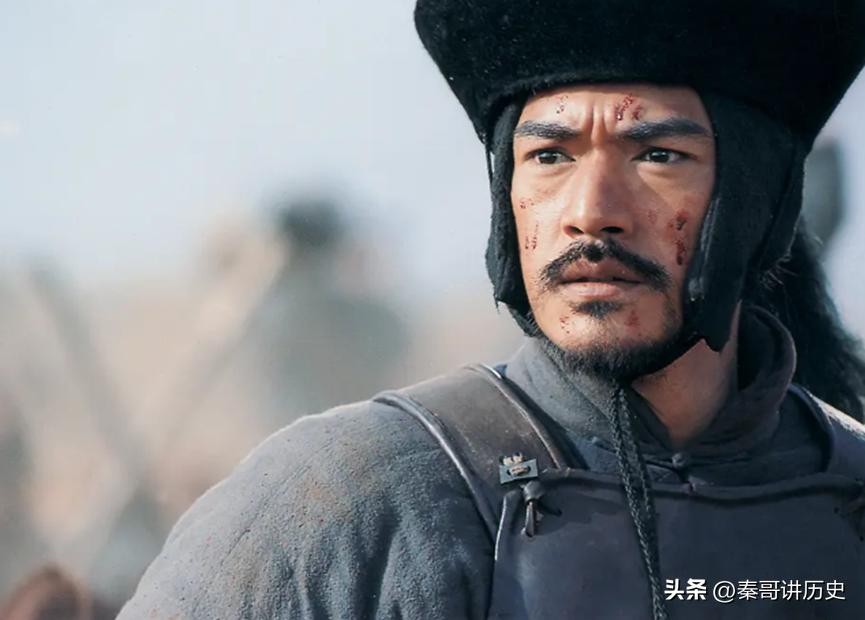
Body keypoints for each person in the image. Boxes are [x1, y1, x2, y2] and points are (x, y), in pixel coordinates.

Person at [119, 2, 865, 618]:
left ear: (756, 203)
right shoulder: (348, 497)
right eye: (549, 156)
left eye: (657, 155)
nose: (590, 213)